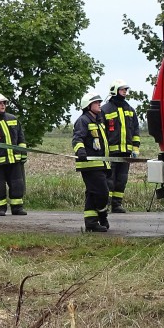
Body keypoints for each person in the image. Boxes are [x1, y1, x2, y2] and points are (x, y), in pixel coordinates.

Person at [101, 79, 141, 214]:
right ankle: (105, 205)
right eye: (122, 89)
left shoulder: (129, 109)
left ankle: (117, 205)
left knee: (121, 180)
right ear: (115, 90)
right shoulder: (105, 110)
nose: (125, 92)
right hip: (110, 154)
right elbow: (102, 131)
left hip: (126, 153)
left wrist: (135, 147)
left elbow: (135, 130)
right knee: (109, 181)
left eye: (125, 90)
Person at [73, 93, 111, 232]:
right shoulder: (83, 121)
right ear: (88, 106)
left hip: (101, 164)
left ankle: (91, 223)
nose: (99, 104)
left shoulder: (99, 121)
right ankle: (102, 215)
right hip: (90, 165)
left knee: (92, 194)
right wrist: (81, 151)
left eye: (99, 102)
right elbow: (77, 139)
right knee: (102, 193)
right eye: (96, 102)